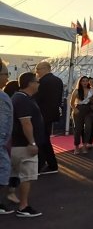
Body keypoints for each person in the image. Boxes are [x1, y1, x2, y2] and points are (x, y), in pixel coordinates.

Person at [10, 72, 44, 217]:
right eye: (37, 81)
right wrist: (32, 142)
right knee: (26, 176)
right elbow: (26, 123)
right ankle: (23, 206)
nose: (39, 84)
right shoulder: (22, 100)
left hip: (18, 144)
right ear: (30, 83)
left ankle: (10, 196)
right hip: (23, 146)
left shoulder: (21, 98)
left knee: (14, 174)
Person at [33, 61, 62, 175]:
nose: (37, 72)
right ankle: (49, 164)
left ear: (46, 68)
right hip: (51, 114)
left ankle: (46, 165)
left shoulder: (42, 82)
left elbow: (37, 98)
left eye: (38, 69)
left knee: (42, 140)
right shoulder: (58, 81)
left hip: (41, 115)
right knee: (45, 139)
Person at [70, 76, 93, 155]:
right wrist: (75, 109)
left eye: (86, 81)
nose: (85, 82)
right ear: (80, 82)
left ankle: (85, 146)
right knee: (78, 129)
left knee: (88, 128)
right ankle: (76, 147)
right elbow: (71, 103)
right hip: (79, 110)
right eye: (83, 81)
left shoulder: (92, 90)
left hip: (88, 110)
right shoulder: (76, 91)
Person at [0, 60, 13, 215]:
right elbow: (2, 125)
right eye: (5, 74)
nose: (7, 78)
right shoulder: (2, 97)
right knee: (4, 169)